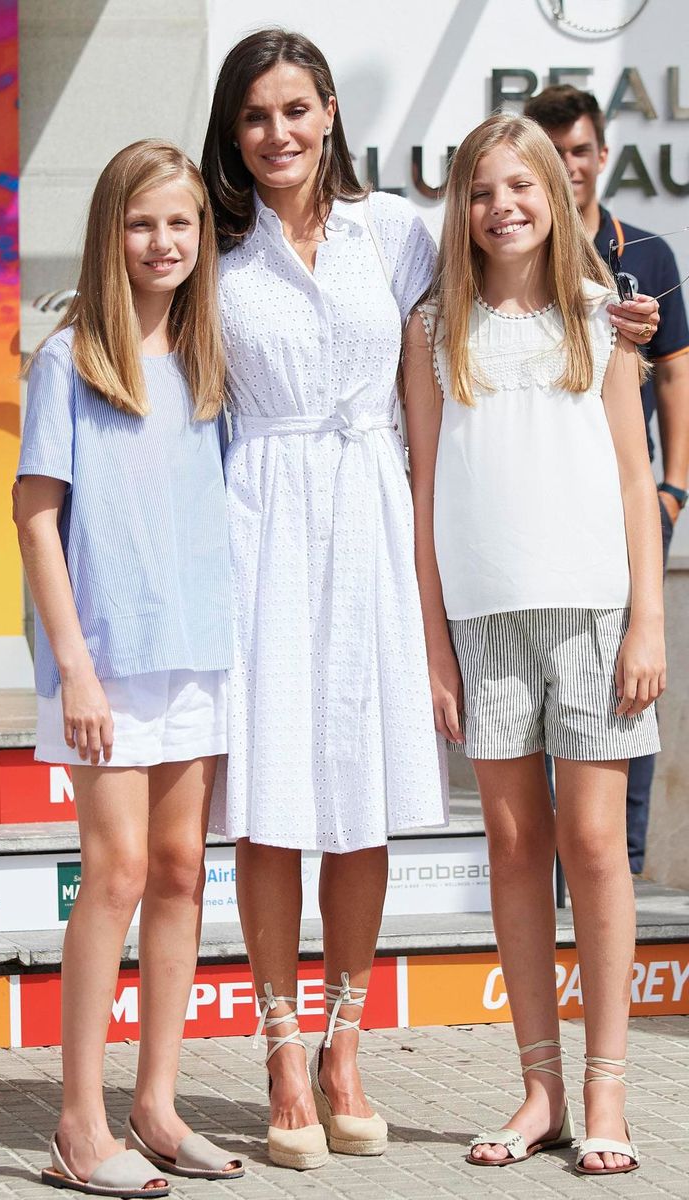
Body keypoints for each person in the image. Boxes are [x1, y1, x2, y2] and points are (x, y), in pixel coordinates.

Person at [201, 28, 448, 1171]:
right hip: (261, 526)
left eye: (295, 110)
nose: (278, 134)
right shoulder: (215, 244)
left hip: (369, 518)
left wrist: (613, 324)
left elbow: (513, 274)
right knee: (275, 798)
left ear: (333, 111)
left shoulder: (392, 231)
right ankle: (281, 1046)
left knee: (355, 794)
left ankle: (348, 1042)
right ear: (233, 132)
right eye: (255, 116)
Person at [404, 114, 664, 1176]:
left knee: (596, 847)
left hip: (595, 611)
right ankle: (537, 1089)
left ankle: (608, 1092)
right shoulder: (430, 330)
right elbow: (423, 490)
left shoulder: (602, 318)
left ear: (557, 196)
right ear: (458, 209)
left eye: (522, 185)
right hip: (482, 616)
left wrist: (649, 616)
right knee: (513, 848)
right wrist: (433, 646)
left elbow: (635, 483)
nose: (501, 205)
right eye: (480, 190)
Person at [14, 140, 244, 1196]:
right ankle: (76, 1122)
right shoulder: (69, 358)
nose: (164, 244)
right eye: (144, 224)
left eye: (182, 225)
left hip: (196, 652)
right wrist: (76, 668)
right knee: (111, 876)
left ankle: (155, 1105)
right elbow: (36, 519)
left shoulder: (206, 358)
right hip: (106, 659)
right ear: (113, 233)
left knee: (182, 876)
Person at [525, 85, 689, 873]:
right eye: (552, 154)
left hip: (629, 506)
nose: (570, 167)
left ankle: (618, 865)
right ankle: (561, 884)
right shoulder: (516, 250)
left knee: (630, 686)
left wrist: (673, 488)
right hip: (541, 518)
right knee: (553, 706)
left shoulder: (646, 254)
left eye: (580, 151)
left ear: (600, 155)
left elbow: (675, 378)